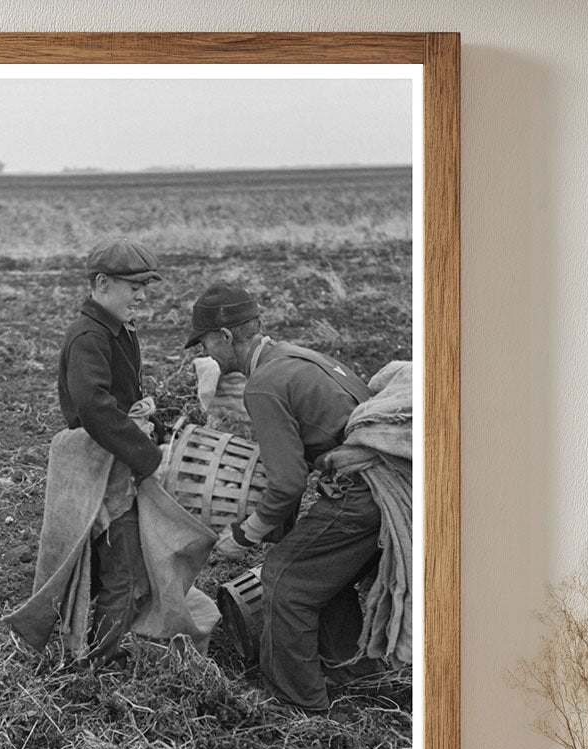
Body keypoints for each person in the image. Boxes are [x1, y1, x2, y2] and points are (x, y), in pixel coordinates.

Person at [185, 283, 382, 712]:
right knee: (320, 573)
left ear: (226, 336)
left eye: (205, 344)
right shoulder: (297, 357)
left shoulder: (264, 385)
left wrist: (245, 534)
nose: (207, 356)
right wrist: (282, 530)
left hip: (359, 495)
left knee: (283, 580)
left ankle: (297, 702)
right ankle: (353, 672)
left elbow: (288, 482)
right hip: (386, 489)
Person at [56, 237, 164, 666]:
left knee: (109, 569)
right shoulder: (89, 337)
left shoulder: (116, 330)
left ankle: (96, 650)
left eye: (146, 286)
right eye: (133, 285)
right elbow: (95, 409)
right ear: (102, 283)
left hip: (117, 464)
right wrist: (151, 458)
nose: (142, 295)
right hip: (103, 472)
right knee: (122, 572)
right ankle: (94, 667)